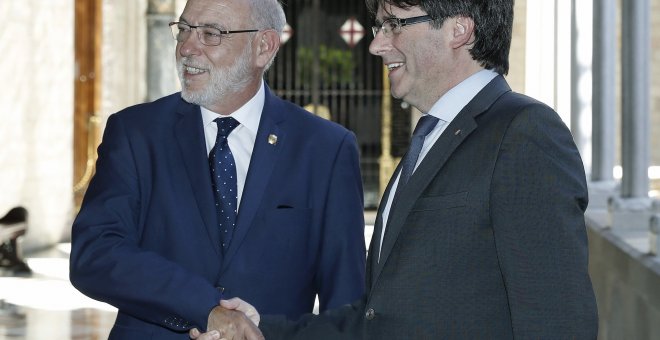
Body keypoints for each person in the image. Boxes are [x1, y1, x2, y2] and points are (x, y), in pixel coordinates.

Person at [193, 0, 599, 339]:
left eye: (394, 24)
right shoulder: (432, 138)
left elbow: (556, 320)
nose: (376, 45)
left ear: (459, 30)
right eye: (378, 26)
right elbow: (377, 319)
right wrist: (260, 329)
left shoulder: (523, 133)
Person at [68, 0, 367, 338]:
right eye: (183, 30)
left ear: (263, 47)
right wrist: (205, 308)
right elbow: (95, 253)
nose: (186, 48)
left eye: (211, 34)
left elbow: (346, 306)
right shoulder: (136, 132)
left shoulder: (325, 148)